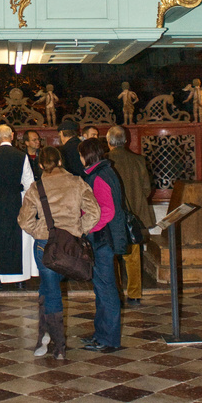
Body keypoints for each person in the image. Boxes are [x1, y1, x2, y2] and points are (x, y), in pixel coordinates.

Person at [18, 145, 100, 359]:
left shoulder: (36, 188)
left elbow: (24, 221)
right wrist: (78, 229)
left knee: (50, 290)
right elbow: (94, 212)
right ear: (61, 162)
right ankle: (43, 336)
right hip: (70, 246)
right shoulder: (77, 183)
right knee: (48, 289)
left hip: (45, 245)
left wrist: (41, 231)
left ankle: (58, 346)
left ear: (42, 165)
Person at [78, 137, 128, 352]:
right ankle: (101, 334)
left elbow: (107, 210)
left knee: (106, 290)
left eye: (81, 155)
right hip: (102, 239)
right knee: (101, 288)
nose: (79, 159)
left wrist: (88, 228)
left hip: (102, 240)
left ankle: (109, 339)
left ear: (87, 156)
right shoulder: (104, 172)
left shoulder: (99, 176)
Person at [0, 123, 36, 288]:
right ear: (12, 137)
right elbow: (29, 183)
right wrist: (25, 201)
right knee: (19, 240)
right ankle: (20, 280)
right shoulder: (21, 156)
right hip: (16, 202)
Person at [106, 125, 155, 307]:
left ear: (108, 141)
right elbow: (146, 189)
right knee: (133, 256)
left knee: (113, 257)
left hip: (112, 216)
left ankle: (116, 293)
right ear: (126, 140)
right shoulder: (138, 160)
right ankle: (134, 294)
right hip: (134, 215)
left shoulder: (105, 160)